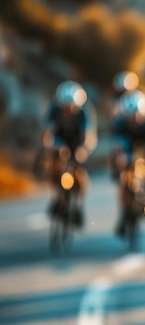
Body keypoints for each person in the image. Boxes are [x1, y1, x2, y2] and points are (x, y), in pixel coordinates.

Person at [42, 80, 97, 227]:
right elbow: (47, 134)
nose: (67, 111)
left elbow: (89, 136)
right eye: (64, 108)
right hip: (60, 140)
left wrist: (83, 150)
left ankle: (78, 205)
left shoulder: (85, 112)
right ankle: (55, 197)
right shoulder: (53, 110)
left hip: (77, 142)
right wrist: (51, 146)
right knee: (54, 165)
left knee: (79, 171)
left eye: (71, 108)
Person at [110, 89, 145, 237]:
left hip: (144, 142)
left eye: (137, 118)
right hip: (127, 144)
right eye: (130, 119)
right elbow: (117, 146)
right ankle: (124, 209)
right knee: (122, 162)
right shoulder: (119, 123)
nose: (134, 121)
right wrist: (120, 164)